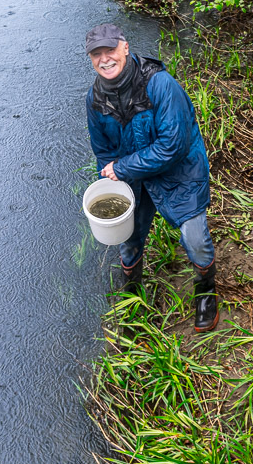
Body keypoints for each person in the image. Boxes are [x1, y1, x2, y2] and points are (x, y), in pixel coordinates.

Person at [85, 23, 218, 333]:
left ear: (126, 48)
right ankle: (132, 291)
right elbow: (103, 150)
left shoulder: (161, 85)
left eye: (110, 51)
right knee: (127, 240)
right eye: (97, 54)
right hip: (132, 177)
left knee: (196, 239)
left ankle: (205, 290)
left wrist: (122, 168)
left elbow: (174, 146)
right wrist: (109, 181)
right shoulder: (94, 98)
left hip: (180, 172)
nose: (105, 59)